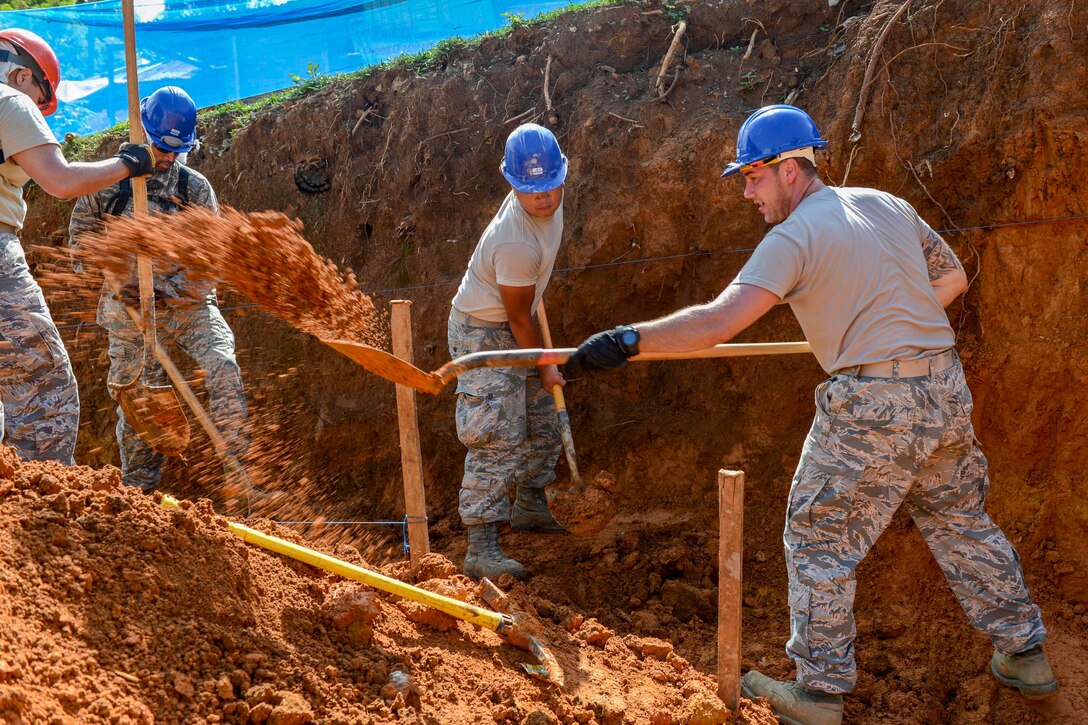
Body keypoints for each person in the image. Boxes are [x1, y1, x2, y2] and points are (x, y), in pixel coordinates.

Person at [564, 105, 1056, 724]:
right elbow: (951, 277)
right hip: (943, 386)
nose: (747, 191)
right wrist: (883, 321)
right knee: (960, 518)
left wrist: (625, 341)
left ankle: (819, 696)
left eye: (753, 176)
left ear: (790, 168)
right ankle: (1025, 653)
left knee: (818, 536)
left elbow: (717, 323)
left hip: (874, 404)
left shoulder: (792, 238)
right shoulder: (885, 204)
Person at [68, 86, 248, 492]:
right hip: (127, 312)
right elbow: (79, 246)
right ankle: (139, 494)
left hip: (189, 305)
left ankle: (239, 473)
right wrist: (118, 278)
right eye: (160, 148)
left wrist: (171, 291)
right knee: (140, 403)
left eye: (176, 150)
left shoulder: (194, 188)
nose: (168, 158)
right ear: (142, 132)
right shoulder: (105, 184)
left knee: (223, 365)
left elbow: (212, 258)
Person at [0, 28, 153, 464]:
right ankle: (37, 515)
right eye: (38, 94)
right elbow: (62, 181)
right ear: (21, 74)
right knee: (41, 385)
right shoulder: (10, 101)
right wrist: (129, 163)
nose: (36, 106)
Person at [448, 122, 568, 580]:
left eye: (549, 186)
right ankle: (480, 546)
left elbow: (524, 309)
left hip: (517, 316)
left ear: (563, 174)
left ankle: (531, 504)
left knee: (544, 418)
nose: (542, 198)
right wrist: (545, 366)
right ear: (512, 184)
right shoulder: (514, 240)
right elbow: (518, 318)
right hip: (482, 332)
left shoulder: (548, 197)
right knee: (495, 434)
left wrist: (544, 374)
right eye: (529, 190)